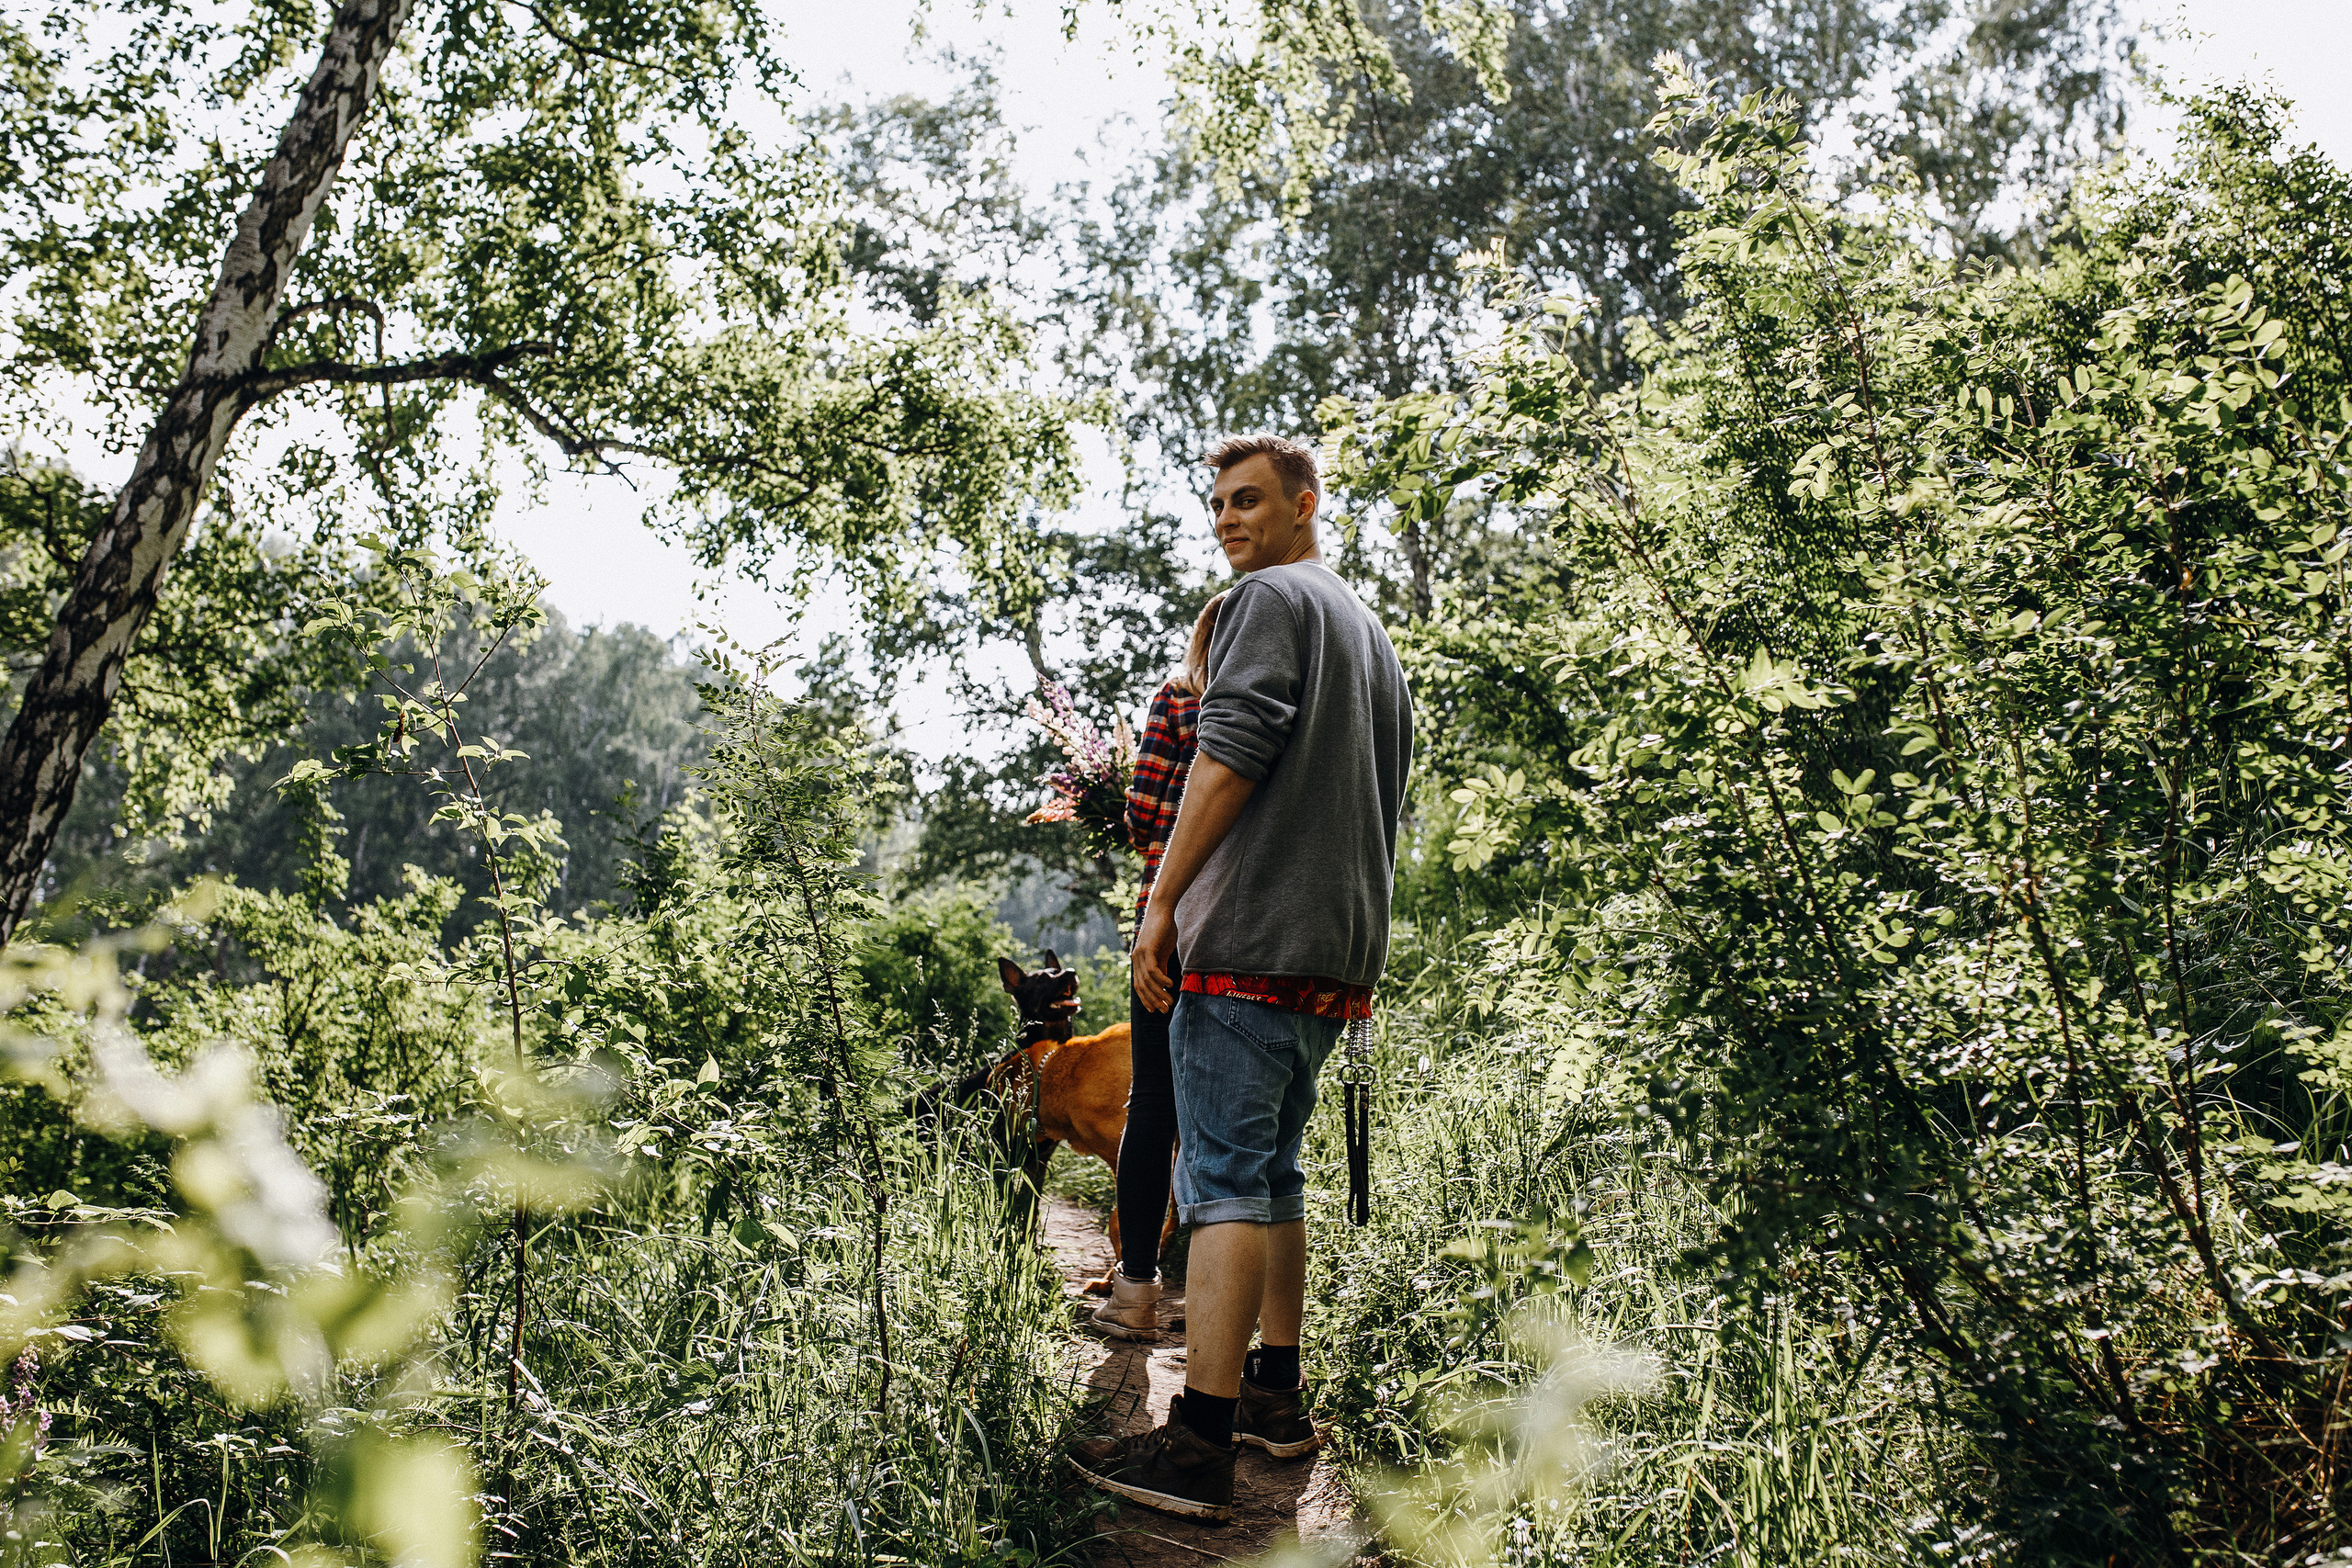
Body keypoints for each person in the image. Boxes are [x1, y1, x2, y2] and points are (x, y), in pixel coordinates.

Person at [1071, 434, 1413, 1521]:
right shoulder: (1367, 628)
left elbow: (1230, 753)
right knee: (1272, 1178)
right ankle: (1274, 1393)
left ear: (1306, 503)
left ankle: (1198, 1450)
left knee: (1218, 1186)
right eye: (1219, 504)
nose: (1229, 519)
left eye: (1250, 500)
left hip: (1249, 941)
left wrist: (1163, 902)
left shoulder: (1270, 600)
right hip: (1335, 950)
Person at [1092, 592, 1227, 1340]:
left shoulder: (1179, 699)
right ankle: (1215, 1311)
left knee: (1154, 1103)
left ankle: (1137, 1288)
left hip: (1165, 923)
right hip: (1242, 927)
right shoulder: (1274, 703)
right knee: (1227, 1117)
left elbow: (1145, 814)